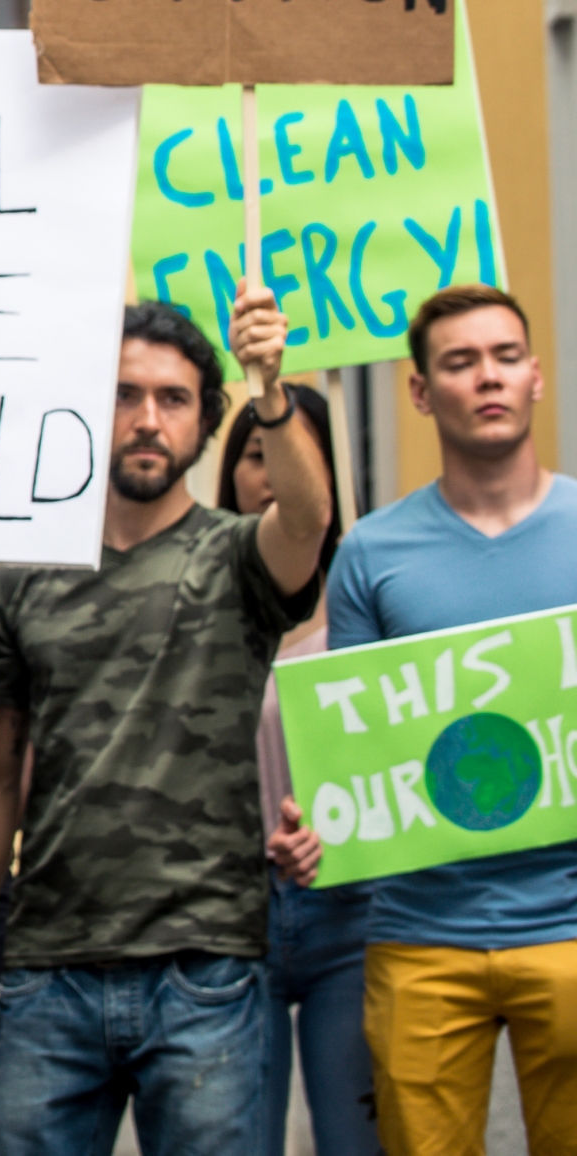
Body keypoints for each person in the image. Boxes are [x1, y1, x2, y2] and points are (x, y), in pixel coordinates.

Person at [0, 295, 333, 1156]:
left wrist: (271, 385)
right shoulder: (29, 579)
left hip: (209, 971)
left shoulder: (238, 556)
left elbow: (307, 520)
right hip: (48, 973)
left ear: (203, 421)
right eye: (124, 395)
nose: (148, 419)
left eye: (174, 398)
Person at [322, 285, 577, 1152]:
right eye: (461, 363)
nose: (488, 377)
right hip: (419, 934)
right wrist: (318, 820)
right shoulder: (371, 554)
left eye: (505, 357)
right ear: (422, 392)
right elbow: (350, 751)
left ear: (536, 376)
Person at [216, 384, 376, 1156]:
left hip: (353, 913)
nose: (276, 472)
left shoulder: (365, 597)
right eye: (257, 455)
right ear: (231, 474)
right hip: (225, 922)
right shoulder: (193, 598)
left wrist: (338, 826)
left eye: (297, 454)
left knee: (359, 1138)